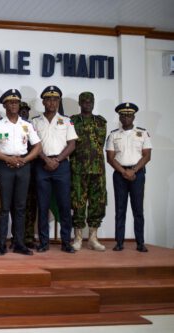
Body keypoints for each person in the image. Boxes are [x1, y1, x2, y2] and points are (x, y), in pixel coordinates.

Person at [0, 89, 41, 256]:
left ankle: (19, 243)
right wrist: (6, 159)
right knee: (5, 207)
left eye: (16, 102)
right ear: (4, 105)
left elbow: (37, 146)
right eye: (10, 102)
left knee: (20, 207)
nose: (14, 105)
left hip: (23, 165)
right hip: (5, 166)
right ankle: (2, 243)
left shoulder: (27, 125)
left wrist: (25, 159)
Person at [31, 86, 78, 253]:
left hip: (61, 165)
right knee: (42, 206)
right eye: (49, 99)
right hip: (41, 165)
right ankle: (44, 242)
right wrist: (45, 159)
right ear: (43, 101)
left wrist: (57, 159)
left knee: (65, 205)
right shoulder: (35, 121)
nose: (52, 102)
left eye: (55, 99)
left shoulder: (66, 121)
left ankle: (66, 242)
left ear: (58, 102)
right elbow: (33, 144)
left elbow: (72, 144)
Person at [106, 102, 152, 252]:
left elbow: (147, 155)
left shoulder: (143, 133)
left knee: (138, 209)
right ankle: (119, 242)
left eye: (129, 115)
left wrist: (133, 170)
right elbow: (110, 158)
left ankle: (140, 243)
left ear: (134, 117)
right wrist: (124, 172)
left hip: (137, 174)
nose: (126, 118)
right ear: (119, 117)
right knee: (120, 209)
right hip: (120, 175)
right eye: (123, 115)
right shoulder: (113, 134)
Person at [70, 92, 107, 251]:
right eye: (84, 101)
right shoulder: (72, 121)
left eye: (90, 101)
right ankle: (78, 237)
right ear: (80, 103)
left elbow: (101, 144)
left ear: (93, 103)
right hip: (78, 169)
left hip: (97, 170)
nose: (87, 104)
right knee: (78, 202)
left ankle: (93, 237)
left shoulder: (100, 121)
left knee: (97, 204)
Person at [17, 101, 37, 248]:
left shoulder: (32, 128)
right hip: (15, 170)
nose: (24, 113)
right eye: (21, 110)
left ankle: (29, 236)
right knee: (15, 205)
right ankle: (16, 236)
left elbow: (39, 147)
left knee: (31, 205)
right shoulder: (10, 127)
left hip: (32, 171)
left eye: (26, 111)